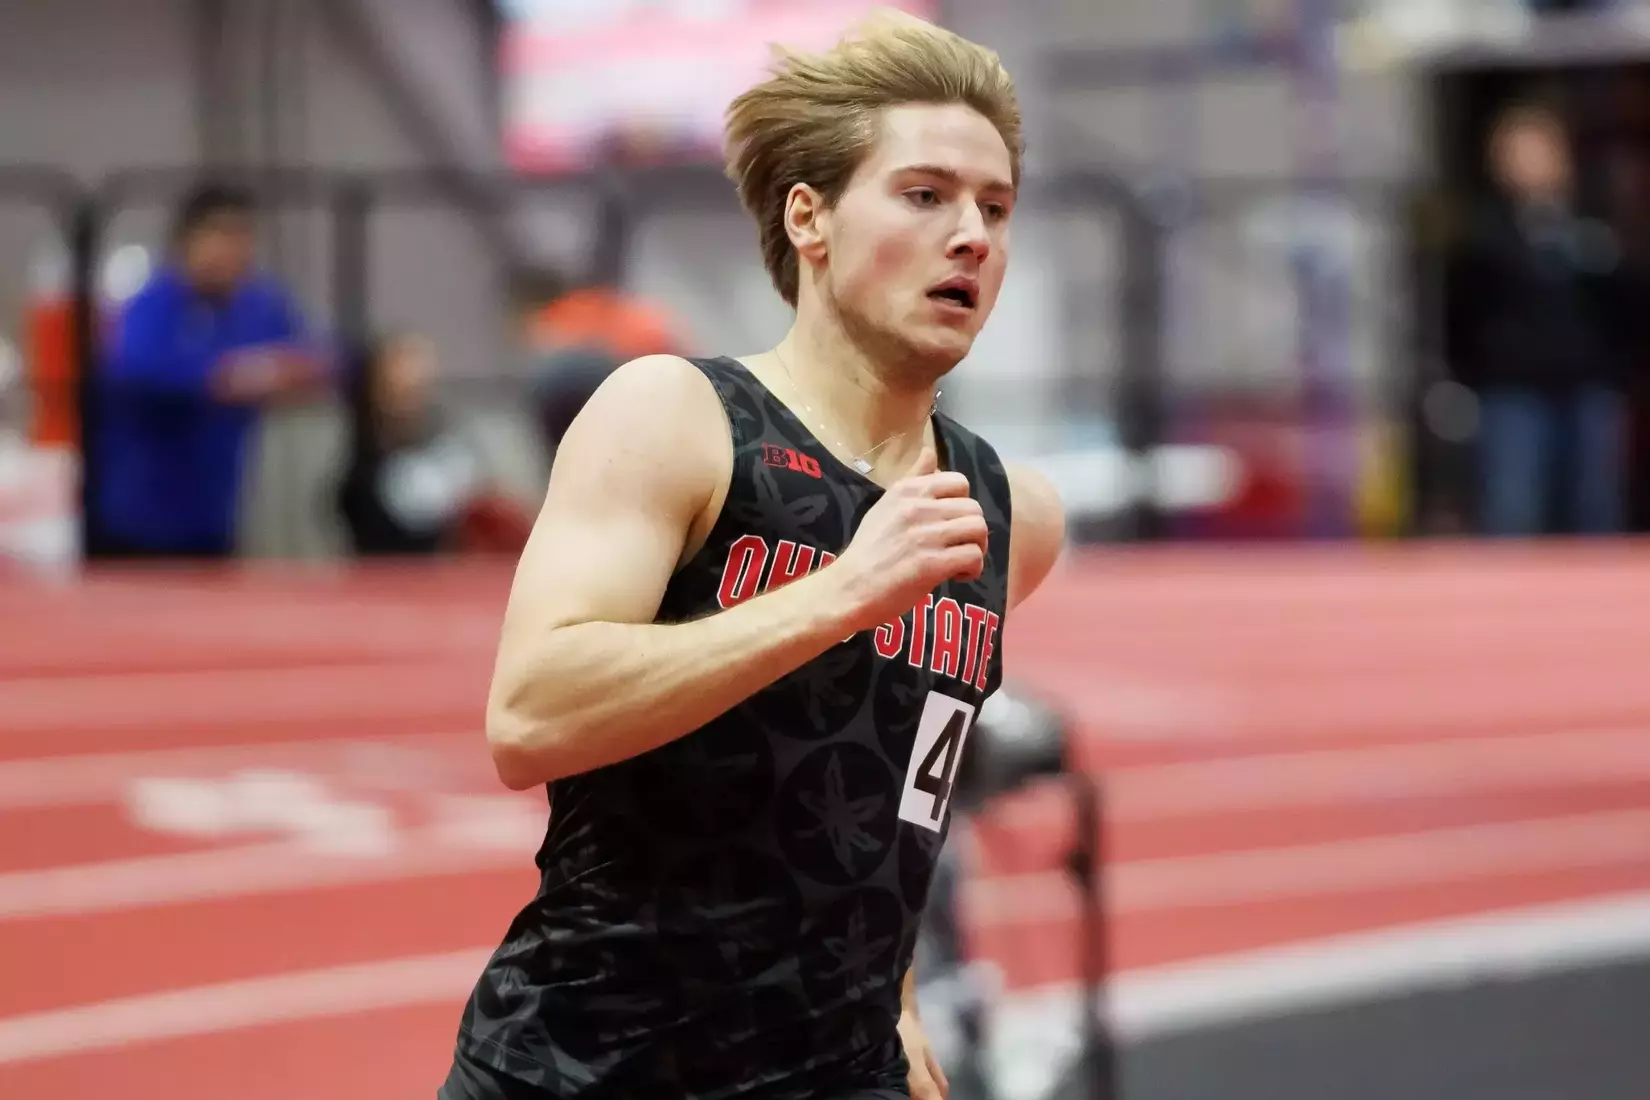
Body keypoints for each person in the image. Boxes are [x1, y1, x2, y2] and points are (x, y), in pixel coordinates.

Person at [441, 11, 1066, 1100]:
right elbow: (531, 715)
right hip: (588, 1068)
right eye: (925, 196)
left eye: (995, 207)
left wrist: (903, 989)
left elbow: (895, 787)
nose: (971, 234)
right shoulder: (674, 416)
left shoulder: (1009, 513)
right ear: (809, 218)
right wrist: (843, 591)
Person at [90, 183, 325, 560]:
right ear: (186, 240)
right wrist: (227, 377)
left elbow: (317, 357)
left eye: (242, 236)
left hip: (214, 525)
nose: (231, 249)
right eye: (219, 234)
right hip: (139, 529)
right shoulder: (154, 303)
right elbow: (135, 369)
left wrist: (293, 374)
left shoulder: (259, 305)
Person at [1447, 102, 1637, 537]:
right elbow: (1463, 311)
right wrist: (1475, 371)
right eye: (1517, 153)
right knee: (1514, 507)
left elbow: (1626, 305)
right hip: (1512, 391)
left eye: (1538, 151)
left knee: (1593, 506)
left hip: (1589, 386)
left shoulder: (1596, 225)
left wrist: (1619, 366)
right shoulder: (1483, 233)